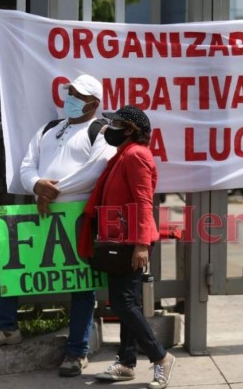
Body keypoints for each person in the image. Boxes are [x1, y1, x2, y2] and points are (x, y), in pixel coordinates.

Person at [0, 74, 116, 378]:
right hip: (39, 212)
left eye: (78, 94)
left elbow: (97, 169)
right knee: (11, 265)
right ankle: (5, 327)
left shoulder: (101, 131)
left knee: (82, 284)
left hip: (76, 217)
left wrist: (52, 191)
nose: (71, 98)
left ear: (94, 103)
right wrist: (37, 184)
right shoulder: (48, 129)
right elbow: (26, 165)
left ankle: (77, 352)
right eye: (70, 92)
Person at [78, 105, 176, 389]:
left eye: (117, 123)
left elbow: (145, 202)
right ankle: (126, 362)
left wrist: (141, 245)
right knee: (126, 303)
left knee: (124, 303)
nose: (109, 128)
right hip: (120, 239)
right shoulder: (123, 155)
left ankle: (160, 358)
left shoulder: (135, 156)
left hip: (131, 242)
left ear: (131, 130)